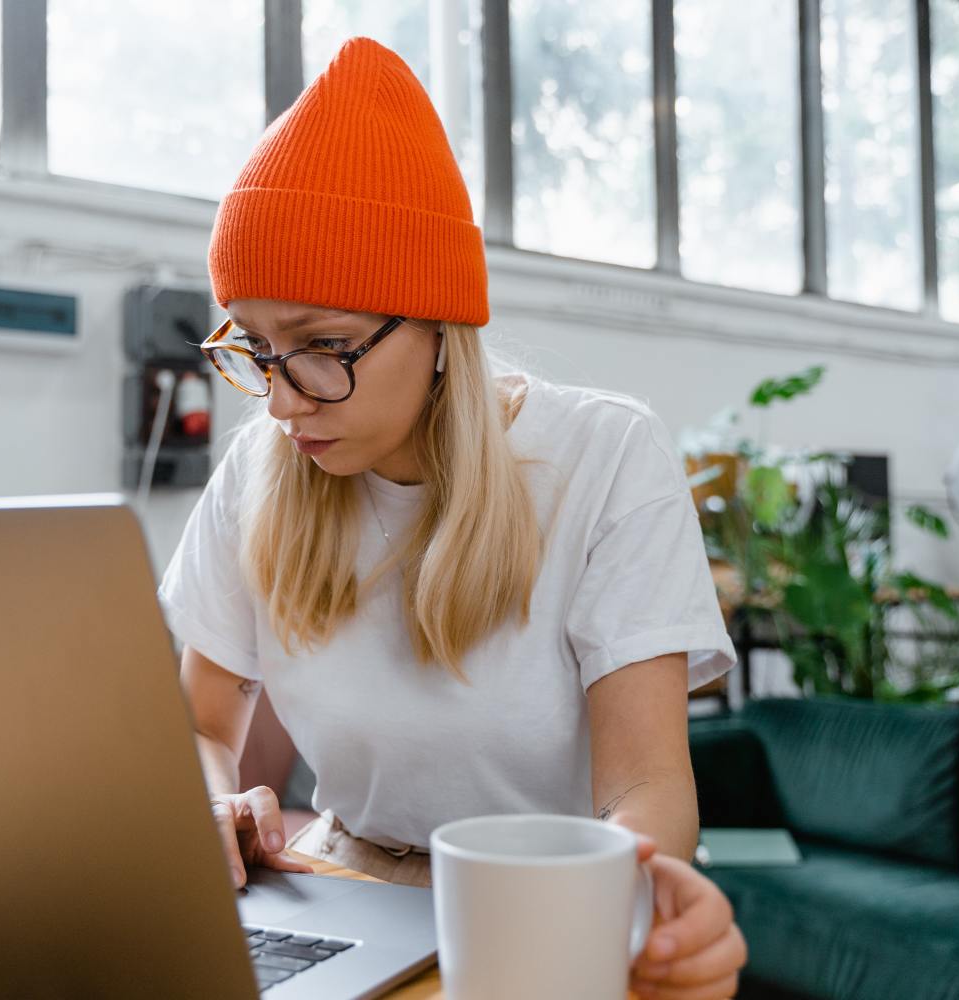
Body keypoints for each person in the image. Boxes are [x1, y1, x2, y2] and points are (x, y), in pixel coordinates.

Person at [160, 37, 746, 999]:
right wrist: (211, 803)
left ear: (438, 327)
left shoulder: (603, 458)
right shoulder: (259, 472)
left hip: (542, 900)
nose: (282, 402)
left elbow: (645, 781)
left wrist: (608, 913)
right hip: (335, 881)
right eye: (257, 348)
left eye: (324, 346)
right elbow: (201, 726)